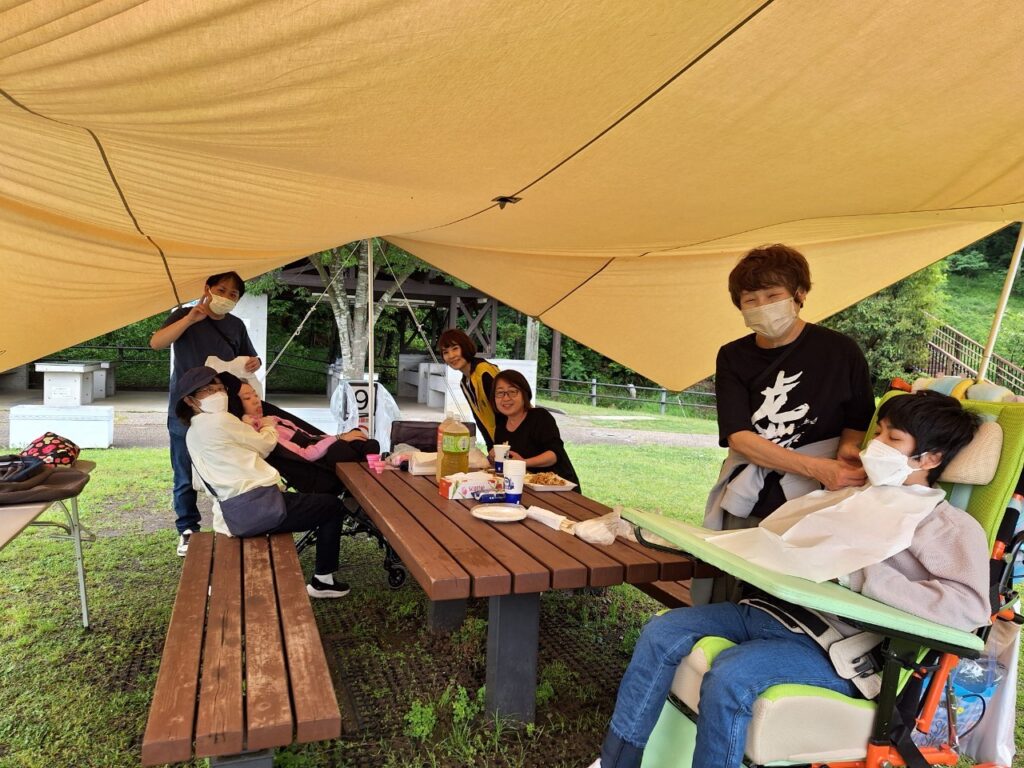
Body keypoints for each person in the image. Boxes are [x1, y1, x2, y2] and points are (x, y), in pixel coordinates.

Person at [590, 391, 991, 768]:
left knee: (731, 675)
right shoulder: (848, 495)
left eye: (893, 438)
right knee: (662, 631)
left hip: (833, 645)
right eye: (880, 431)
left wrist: (860, 574)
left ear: (930, 458)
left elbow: (968, 609)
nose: (876, 444)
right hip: (767, 610)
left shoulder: (945, 526)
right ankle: (617, 761)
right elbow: (774, 544)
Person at [706, 244, 875, 529]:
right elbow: (739, 437)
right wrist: (814, 467)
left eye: (773, 296)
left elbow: (858, 422)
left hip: (820, 496)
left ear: (800, 294)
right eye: (751, 300)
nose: (763, 307)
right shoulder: (732, 356)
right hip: (750, 495)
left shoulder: (841, 351)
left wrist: (847, 449)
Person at [174, 366, 349, 598]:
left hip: (232, 513)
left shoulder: (192, 432)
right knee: (332, 506)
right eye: (208, 390)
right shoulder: (221, 420)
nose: (217, 394)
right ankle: (323, 581)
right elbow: (265, 445)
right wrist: (267, 425)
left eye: (219, 388)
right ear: (189, 400)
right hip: (261, 507)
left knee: (312, 504)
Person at [150, 271, 259, 557]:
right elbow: (156, 343)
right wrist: (190, 319)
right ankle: (187, 528)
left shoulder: (235, 325)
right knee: (184, 471)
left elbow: (249, 358)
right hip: (186, 408)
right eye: (221, 290)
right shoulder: (183, 315)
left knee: (230, 467)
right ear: (207, 288)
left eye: (233, 294)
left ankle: (234, 521)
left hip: (224, 410)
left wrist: (254, 363)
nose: (226, 297)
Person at [490, 370, 580, 490]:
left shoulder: (540, 417)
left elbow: (554, 455)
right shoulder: (501, 425)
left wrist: (523, 462)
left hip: (558, 488)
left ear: (524, 394)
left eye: (512, 391)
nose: (506, 398)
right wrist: (493, 456)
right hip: (524, 488)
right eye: (500, 393)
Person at [438, 328, 502, 448]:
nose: (451, 356)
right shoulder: (465, 382)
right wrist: (490, 447)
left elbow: (504, 413)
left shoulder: (484, 372)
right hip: (497, 445)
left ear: (465, 347)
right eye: (445, 352)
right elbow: (479, 419)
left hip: (515, 442)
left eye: (455, 348)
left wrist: (500, 447)